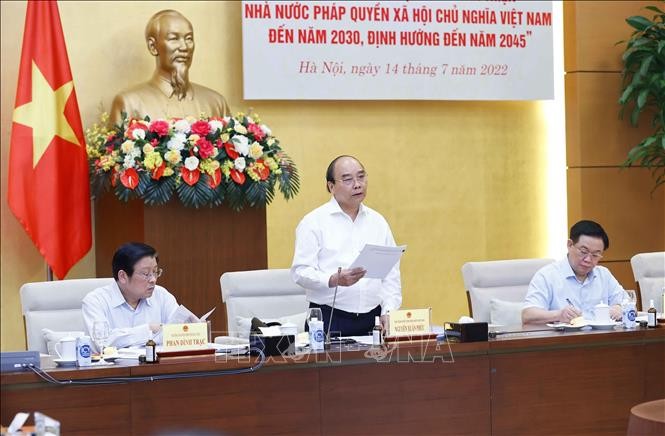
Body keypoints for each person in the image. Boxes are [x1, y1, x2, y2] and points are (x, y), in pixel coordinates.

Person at [291, 155, 402, 336]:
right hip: (329, 318)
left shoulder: (378, 222)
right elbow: (300, 272)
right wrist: (333, 279)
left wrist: (389, 311)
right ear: (331, 186)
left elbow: (391, 274)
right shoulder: (313, 222)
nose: (357, 184)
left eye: (361, 176)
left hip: (372, 320)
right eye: (348, 179)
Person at [110, 9, 230, 124]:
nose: (184, 47)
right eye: (174, 38)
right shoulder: (129, 103)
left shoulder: (216, 103)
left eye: (189, 38)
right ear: (153, 46)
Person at [522, 220, 627, 324]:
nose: (588, 259)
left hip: (601, 339)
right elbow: (527, 315)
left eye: (595, 255)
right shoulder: (547, 275)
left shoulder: (603, 275)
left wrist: (619, 308)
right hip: (563, 339)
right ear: (569, 244)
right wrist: (558, 315)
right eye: (583, 252)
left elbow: (628, 303)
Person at [82, 242, 180, 349]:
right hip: (116, 365)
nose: (153, 279)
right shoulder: (96, 301)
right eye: (145, 274)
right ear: (123, 276)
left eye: (155, 272)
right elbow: (102, 342)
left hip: (155, 364)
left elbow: (178, 331)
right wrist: (148, 330)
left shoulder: (161, 295)